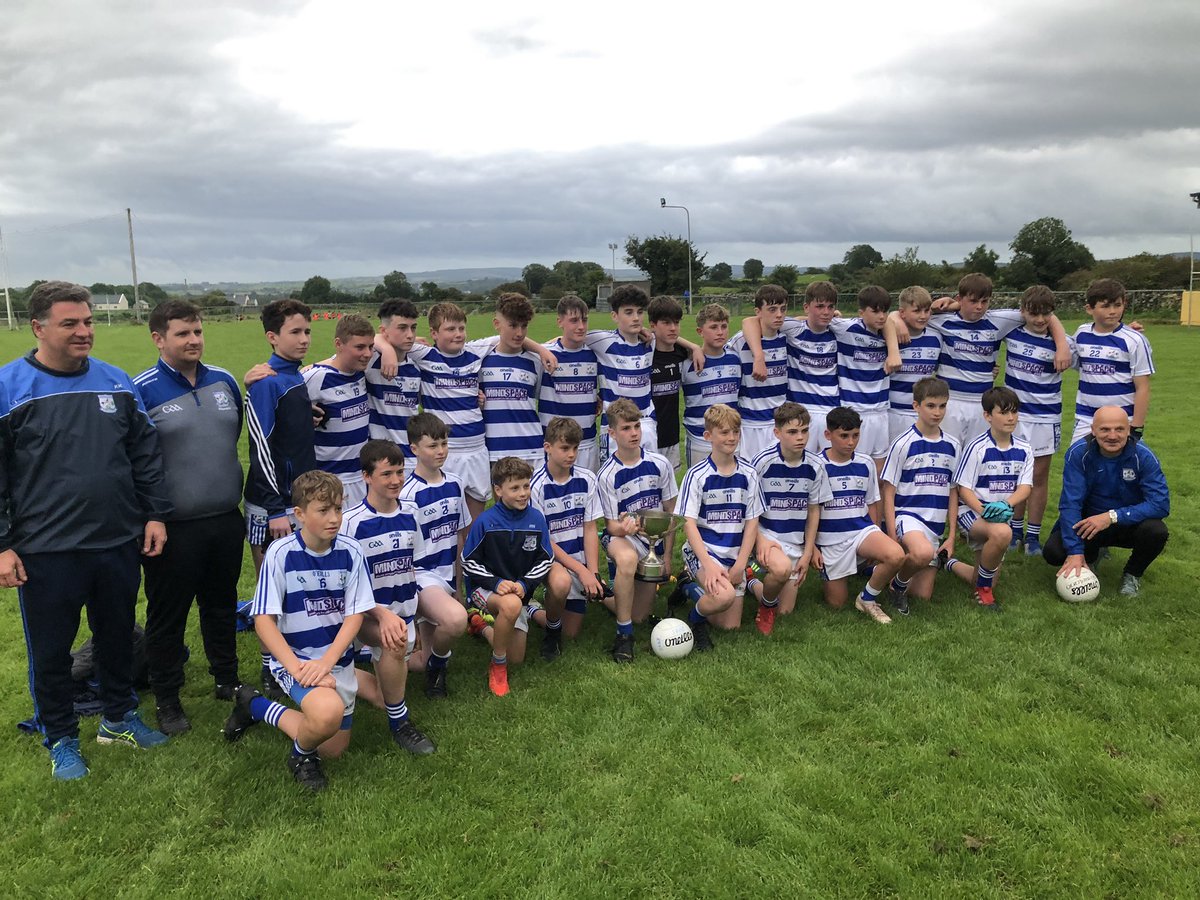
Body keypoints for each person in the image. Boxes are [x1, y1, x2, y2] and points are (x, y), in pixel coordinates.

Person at [0, 281, 171, 780]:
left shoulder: (117, 382)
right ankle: (60, 737)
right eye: (70, 323)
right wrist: (4, 545)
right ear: (38, 328)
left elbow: (145, 455)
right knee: (51, 651)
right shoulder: (10, 387)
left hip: (117, 539)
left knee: (116, 636)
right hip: (45, 550)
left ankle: (118, 718)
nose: (84, 331)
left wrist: (154, 513)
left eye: (89, 321)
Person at [132, 300, 245, 736]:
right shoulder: (142, 389)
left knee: (220, 603)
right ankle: (167, 697)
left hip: (223, 517)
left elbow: (228, 439)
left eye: (197, 331)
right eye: (183, 333)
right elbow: (136, 460)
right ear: (159, 338)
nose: (194, 340)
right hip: (170, 528)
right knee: (168, 613)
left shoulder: (225, 381)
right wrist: (152, 514)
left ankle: (226, 678)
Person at [223, 470, 375, 792]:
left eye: (338, 508)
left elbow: (355, 615)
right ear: (299, 514)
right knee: (326, 713)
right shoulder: (280, 555)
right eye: (323, 510)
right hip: (297, 661)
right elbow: (263, 621)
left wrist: (328, 662)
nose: (334, 518)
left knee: (333, 747)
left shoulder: (351, 551)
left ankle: (254, 706)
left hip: (336, 663)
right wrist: (301, 669)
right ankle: (301, 758)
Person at [338, 440, 436, 754]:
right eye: (386, 474)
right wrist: (380, 614)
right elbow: (345, 587)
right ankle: (401, 724)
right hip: (364, 615)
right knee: (393, 646)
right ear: (366, 477)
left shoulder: (411, 512)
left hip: (403, 613)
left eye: (399, 472)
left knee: (383, 696)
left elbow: (413, 565)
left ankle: (359, 663)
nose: (395, 480)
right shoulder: (352, 524)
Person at [244, 298, 316, 700]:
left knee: (299, 586)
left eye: (307, 331)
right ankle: (271, 667)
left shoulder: (294, 377)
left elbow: (290, 430)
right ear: (272, 337)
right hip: (272, 505)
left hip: (297, 499)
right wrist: (275, 507)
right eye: (295, 332)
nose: (304, 338)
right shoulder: (267, 381)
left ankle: (297, 658)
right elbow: (260, 446)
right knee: (271, 591)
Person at [1043, 406, 1169, 597]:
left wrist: (1112, 516)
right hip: (1090, 524)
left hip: (1127, 524)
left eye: (1119, 429)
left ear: (1129, 430)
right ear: (1093, 430)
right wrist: (1075, 552)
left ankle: (1132, 574)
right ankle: (1091, 556)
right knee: (1054, 552)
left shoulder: (1143, 456)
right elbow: (1070, 504)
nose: (1112, 436)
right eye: (1105, 429)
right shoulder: (1078, 454)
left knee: (1156, 531)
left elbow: (1160, 504)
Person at [460, 457, 555, 696]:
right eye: (515, 488)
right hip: (486, 589)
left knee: (518, 658)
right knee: (511, 606)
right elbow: (467, 561)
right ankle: (497, 665)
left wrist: (525, 584)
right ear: (498, 490)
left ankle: (480, 625)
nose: (523, 493)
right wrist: (496, 583)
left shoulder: (536, 519)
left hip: (517, 590)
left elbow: (546, 559)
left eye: (526, 486)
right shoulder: (486, 522)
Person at [596, 398, 679, 662]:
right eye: (626, 428)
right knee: (628, 559)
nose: (633, 433)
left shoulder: (659, 464)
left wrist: (666, 559)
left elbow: (672, 515)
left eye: (636, 427)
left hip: (653, 542)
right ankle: (623, 635)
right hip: (621, 538)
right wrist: (625, 528)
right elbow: (610, 525)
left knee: (640, 615)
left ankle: (601, 596)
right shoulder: (607, 474)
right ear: (612, 433)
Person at [399, 412, 470, 698]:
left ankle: (376, 656)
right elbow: (402, 552)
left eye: (443, 443)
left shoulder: (455, 483)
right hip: (421, 577)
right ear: (414, 449)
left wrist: (460, 586)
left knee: (423, 656)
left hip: (447, 576)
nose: (440, 451)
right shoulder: (407, 493)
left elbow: (460, 537)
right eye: (432, 445)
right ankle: (437, 671)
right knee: (455, 620)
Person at [814, 407, 905, 624]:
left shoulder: (865, 463)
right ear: (828, 435)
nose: (850, 441)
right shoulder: (816, 466)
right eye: (843, 436)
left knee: (896, 555)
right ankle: (860, 570)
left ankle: (867, 598)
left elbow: (873, 501)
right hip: (830, 541)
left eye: (855, 435)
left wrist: (875, 532)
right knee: (836, 604)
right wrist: (813, 549)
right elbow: (810, 512)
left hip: (861, 531)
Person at [677, 404, 762, 640]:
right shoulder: (697, 475)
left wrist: (740, 564)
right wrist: (709, 564)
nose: (732, 437)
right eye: (724, 432)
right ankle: (694, 619)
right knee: (722, 598)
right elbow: (688, 523)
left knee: (729, 626)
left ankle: (687, 587)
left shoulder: (749, 473)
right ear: (708, 436)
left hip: (734, 556)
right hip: (705, 554)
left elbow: (752, 522)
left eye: (735, 431)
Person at [947, 386, 1033, 610]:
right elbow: (963, 489)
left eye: (1014, 412)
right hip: (972, 512)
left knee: (982, 574)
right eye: (1003, 413)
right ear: (987, 416)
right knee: (1003, 532)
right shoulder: (977, 447)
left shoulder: (1024, 449)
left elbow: (1025, 488)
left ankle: (949, 564)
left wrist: (1005, 504)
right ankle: (984, 593)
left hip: (1000, 514)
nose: (1010, 418)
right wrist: (985, 510)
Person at [879, 377, 959, 615]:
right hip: (908, 516)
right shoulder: (903, 443)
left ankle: (895, 571)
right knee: (922, 553)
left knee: (922, 595)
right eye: (931, 405)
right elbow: (889, 490)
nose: (937, 412)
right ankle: (897, 585)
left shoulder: (953, 445)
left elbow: (953, 491)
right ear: (916, 406)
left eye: (942, 406)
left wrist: (952, 536)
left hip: (934, 526)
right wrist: (892, 534)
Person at [1002, 285, 1072, 555]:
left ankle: (1033, 536)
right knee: (1016, 475)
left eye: (1046, 314)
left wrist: (1131, 330)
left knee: (1039, 476)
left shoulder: (1065, 344)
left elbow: (1090, 351)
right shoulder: (1012, 332)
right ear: (1023, 312)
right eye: (1034, 313)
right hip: (1015, 416)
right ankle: (1014, 530)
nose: (1040, 319)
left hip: (1045, 418)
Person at [747, 402, 825, 636]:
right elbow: (748, 509)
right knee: (780, 571)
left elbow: (814, 511)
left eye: (804, 431)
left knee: (786, 610)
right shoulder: (762, 462)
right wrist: (759, 540)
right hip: (766, 537)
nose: (800, 437)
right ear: (777, 433)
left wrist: (808, 551)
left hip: (795, 542)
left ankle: (750, 580)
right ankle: (766, 605)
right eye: (792, 432)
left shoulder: (816, 465)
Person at [529, 417, 607, 649]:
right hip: (547, 558)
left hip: (579, 560)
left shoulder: (587, 478)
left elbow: (590, 527)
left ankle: (534, 610)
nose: (571, 454)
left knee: (571, 633)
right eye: (564, 448)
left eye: (575, 448)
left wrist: (593, 571)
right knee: (561, 582)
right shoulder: (536, 486)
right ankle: (548, 625)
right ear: (548, 448)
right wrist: (582, 571)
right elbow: (544, 541)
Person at [305, 313, 375, 509]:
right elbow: (282, 401)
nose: (367, 354)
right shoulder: (317, 377)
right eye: (359, 347)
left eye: (370, 347)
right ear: (339, 344)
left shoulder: (362, 372)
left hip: (361, 479)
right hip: (327, 481)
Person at [1071, 278, 1154, 444]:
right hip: (1086, 417)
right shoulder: (1081, 334)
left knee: (1121, 469)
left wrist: (1136, 427)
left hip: (1123, 419)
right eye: (1105, 306)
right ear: (1089, 309)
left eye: (1117, 305)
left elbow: (1142, 387)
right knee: (1079, 465)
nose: (1113, 311)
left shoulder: (1135, 340)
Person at [479, 293, 546, 467]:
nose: (519, 333)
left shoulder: (536, 361)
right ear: (497, 324)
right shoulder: (480, 360)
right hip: (495, 450)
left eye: (524, 326)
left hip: (531, 449)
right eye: (513, 325)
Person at [539, 295, 601, 473]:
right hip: (555, 445)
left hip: (587, 443)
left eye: (584, 320)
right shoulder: (544, 355)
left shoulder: (595, 353)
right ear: (560, 321)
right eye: (574, 320)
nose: (581, 326)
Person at [731, 285, 793, 460]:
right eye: (772, 309)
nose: (779, 314)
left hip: (780, 422)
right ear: (758, 311)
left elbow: (806, 321)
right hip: (751, 423)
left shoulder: (788, 336)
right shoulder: (740, 341)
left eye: (783, 309)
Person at [782, 281, 841, 453]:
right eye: (820, 306)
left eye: (830, 307)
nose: (826, 312)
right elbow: (755, 321)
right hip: (800, 414)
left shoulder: (839, 331)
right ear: (806, 307)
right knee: (799, 469)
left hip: (830, 411)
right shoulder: (794, 330)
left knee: (830, 469)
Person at [680, 303, 741, 467]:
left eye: (724, 326)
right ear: (700, 332)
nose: (720, 332)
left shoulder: (736, 359)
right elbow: (657, 335)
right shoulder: (687, 363)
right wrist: (692, 347)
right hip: (699, 439)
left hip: (731, 439)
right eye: (713, 327)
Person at [365, 298, 422, 457]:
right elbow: (339, 361)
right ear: (384, 331)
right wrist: (386, 349)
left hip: (413, 456)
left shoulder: (417, 364)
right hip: (381, 459)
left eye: (413, 328)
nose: (410, 335)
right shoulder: (369, 360)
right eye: (402, 328)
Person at [885, 286, 942, 443]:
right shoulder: (890, 337)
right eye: (917, 311)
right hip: (893, 412)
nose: (923, 316)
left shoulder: (936, 338)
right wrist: (894, 318)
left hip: (922, 414)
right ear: (902, 313)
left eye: (926, 311)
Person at [648, 295, 690, 471]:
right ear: (653, 325)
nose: (673, 328)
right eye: (666, 323)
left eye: (676, 322)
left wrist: (694, 348)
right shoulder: (643, 352)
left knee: (669, 494)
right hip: (646, 438)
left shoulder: (683, 353)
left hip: (672, 437)